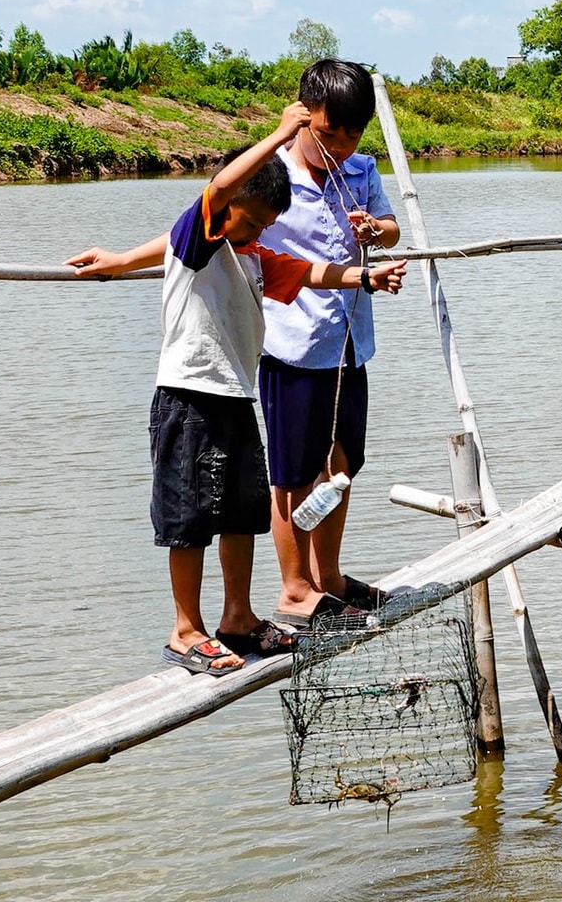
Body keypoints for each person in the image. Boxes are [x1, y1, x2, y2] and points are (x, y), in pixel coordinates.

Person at [65, 103, 407, 675]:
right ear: (222, 212)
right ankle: (185, 629)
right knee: (189, 518)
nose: (253, 233)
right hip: (188, 396)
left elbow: (311, 272)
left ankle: (238, 618)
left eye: (262, 226)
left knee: (242, 513)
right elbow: (222, 187)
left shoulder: (253, 254)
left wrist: (365, 276)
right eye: (247, 223)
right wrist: (278, 135)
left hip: (235, 396)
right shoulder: (200, 238)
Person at [259, 59, 402, 627]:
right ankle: (295, 589)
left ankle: (330, 577)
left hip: (348, 341)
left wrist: (374, 231)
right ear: (302, 117)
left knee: (341, 464)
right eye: (328, 134)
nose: (340, 147)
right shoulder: (270, 173)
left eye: (352, 135)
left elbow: (390, 229)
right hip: (293, 340)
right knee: (293, 472)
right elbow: (217, 220)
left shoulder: (361, 170)